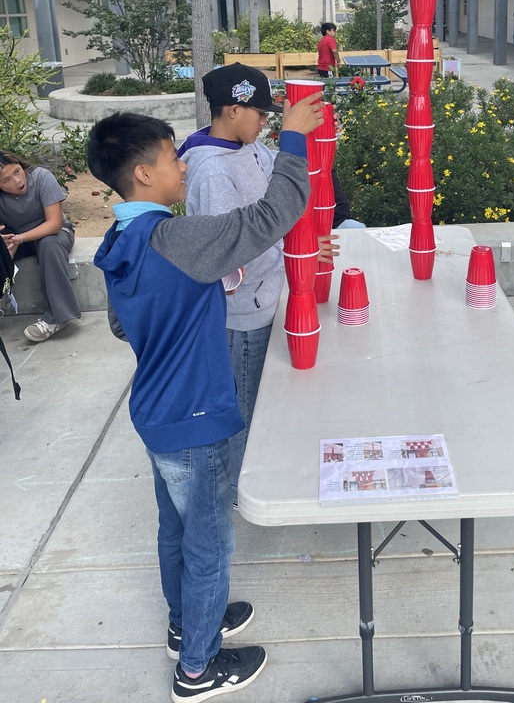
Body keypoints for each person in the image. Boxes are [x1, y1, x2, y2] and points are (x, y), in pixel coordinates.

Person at [87, 97, 322, 703]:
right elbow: (274, 214)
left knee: (176, 525)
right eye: (171, 159)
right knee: (210, 541)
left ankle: (185, 622)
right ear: (143, 173)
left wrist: (186, 306)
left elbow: (122, 326)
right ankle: (197, 668)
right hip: (195, 414)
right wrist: (292, 141)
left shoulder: (123, 236)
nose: (183, 167)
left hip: (158, 408)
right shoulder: (177, 237)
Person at [179, 63, 338, 503]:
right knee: (246, 405)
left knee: (265, 398)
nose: (266, 122)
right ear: (232, 110)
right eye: (260, 113)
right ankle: (242, 488)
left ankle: (254, 474)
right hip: (243, 315)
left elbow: (283, 187)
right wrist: (292, 252)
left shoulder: (245, 147)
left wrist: (308, 139)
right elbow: (230, 256)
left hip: (269, 298)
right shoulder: (212, 170)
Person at [0, 151, 80, 342]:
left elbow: (54, 224)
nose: (17, 181)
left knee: (49, 244)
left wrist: (20, 239)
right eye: (6, 180)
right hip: (18, 237)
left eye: (17, 171)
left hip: (55, 234)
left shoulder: (41, 177)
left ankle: (58, 317)